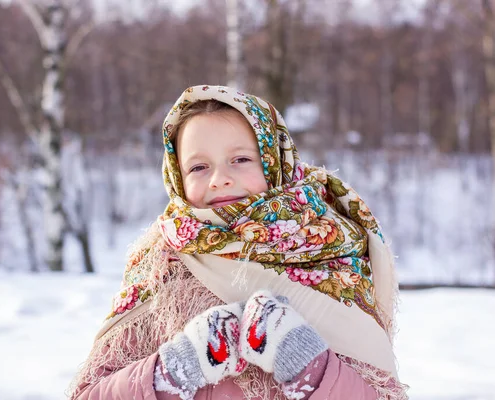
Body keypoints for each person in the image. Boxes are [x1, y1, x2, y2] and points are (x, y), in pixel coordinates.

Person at [68, 85, 409, 400]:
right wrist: (173, 370)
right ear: (176, 176)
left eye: (241, 160)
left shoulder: (333, 249)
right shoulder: (163, 261)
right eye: (199, 167)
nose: (219, 179)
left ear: (274, 161)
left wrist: (311, 366)